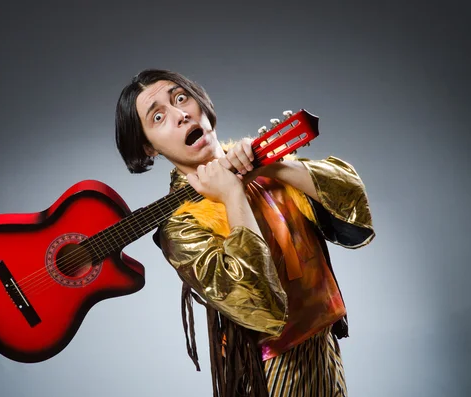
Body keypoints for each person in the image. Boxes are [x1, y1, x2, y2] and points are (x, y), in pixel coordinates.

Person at [114, 69, 375, 397]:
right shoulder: (179, 225)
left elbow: (353, 204)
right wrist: (232, 195)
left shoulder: (262, 164)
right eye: (158, 116)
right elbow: (256, 304)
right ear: (148, 147)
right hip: (270, 370)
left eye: (181, 98)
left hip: (324, 346)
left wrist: (271, 164)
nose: (180, 114)